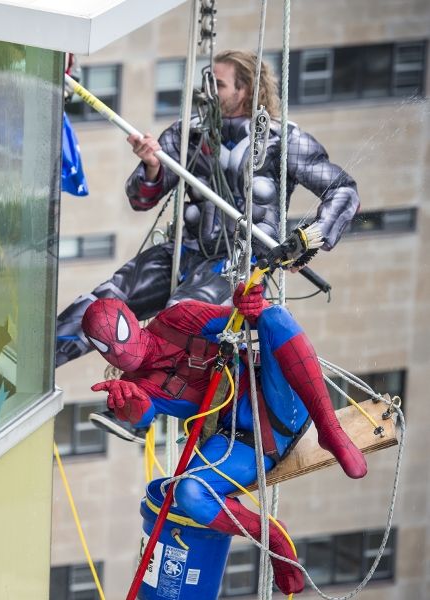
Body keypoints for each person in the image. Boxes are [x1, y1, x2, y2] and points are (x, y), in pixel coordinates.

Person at [55, 50, 360, 439]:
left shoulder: (284, 140)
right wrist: (152, 165)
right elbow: (140, 198)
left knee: (180, 315)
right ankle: (25, 371)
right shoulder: (189, 134)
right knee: (100, 303)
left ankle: (139, 409)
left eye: (218, 83)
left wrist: (311, 239)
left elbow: (343, 190)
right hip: (183, 250)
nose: (208, 91)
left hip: (235, 263)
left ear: (245, 89)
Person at [82, 284, 367, 595]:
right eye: (105, 346)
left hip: (278, 402)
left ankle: (330, 429)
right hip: (240, 441)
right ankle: (271, 536)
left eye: (120, 335)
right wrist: (129, 405)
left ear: (132, 320)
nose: (118, 351)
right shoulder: (133, 386)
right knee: (189, 492)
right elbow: (142, 416)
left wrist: (250, 305)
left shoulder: (178, 319)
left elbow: (245, 320)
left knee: (275, 317)